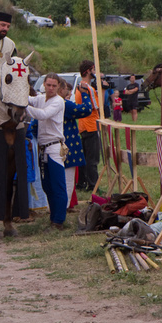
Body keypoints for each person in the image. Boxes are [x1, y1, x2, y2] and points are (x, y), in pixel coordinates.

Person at [26, 73, 67, 229]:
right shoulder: (41, 98)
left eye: (54, 86)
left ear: (58, 87)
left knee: (58, 185)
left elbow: (43, 115)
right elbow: (29, 99)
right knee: (47, 185)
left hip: (55, 147)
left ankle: (59, 220)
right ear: (44, 84)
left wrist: (24, 106)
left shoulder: (58, 102)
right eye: (48, 85)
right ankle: (53, 217)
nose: (50, 88)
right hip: (43, 148)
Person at [59, 80, 92, 210]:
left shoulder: (47, 102)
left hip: (53, 144)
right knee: (67, 180)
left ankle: (60, 207)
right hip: (66, 145)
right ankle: (63, 208)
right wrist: (84, 94)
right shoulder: (64, 104)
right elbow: (86, 109)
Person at [75, 60, 100, 192]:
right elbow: (96, 106)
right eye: (93, 69)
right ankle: (92, 184)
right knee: (92, 159)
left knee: (85, 158)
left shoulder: (79, 86)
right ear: (88, 71)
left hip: (83, 125)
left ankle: (82, 182)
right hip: (91, 126)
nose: (95, 72)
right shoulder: (88, 88)